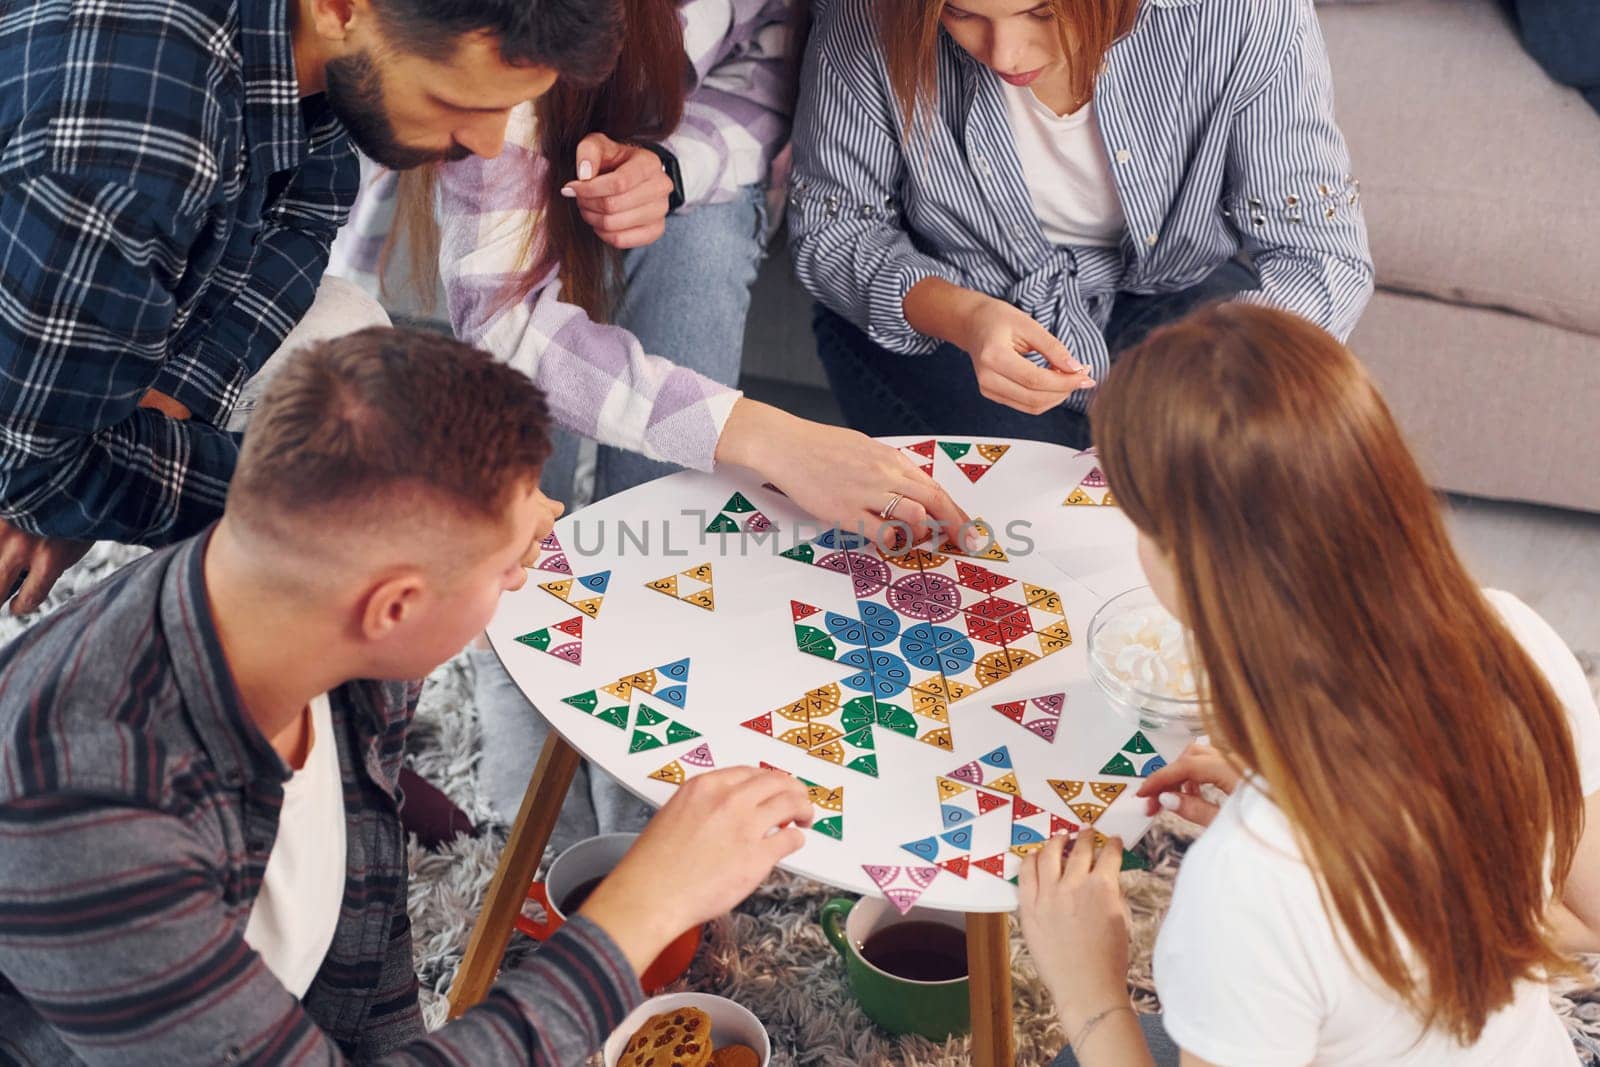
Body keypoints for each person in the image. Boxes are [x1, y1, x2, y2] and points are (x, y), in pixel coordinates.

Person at [0, 327, 814, 1065]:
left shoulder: (305, 598)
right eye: (507, 569)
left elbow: (368, 913)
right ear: (394, 607)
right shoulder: (88, 816)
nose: (542, 549)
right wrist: (641, 907)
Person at [363, 0, 977, 831]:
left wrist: (671, 165)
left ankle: (650, 630)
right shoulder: (496, 62)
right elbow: (507, 321)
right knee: (509, 411)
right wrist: (767, 437)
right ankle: (513, 631)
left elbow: (769, 64)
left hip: (681, 149)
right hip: (515, 130)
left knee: (703, 244)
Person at [1017, 304, 1600, 1066]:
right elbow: (1582, 914)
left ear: (1191, 567)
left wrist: (1088, 989)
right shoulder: (1514, 639)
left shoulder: (1249, 881)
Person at [0, 0, 621, 615]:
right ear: (340, 9)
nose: (487, 146)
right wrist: (392, 501)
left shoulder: (299, 40)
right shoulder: (135, 149)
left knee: (350, 349)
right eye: (455, 103)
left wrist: (165, 406)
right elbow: (32, 469)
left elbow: (307, 208)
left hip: (59, 299)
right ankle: (168, 671)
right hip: (24, 341)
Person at [787, 0, 1375, 449]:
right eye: (960, 13)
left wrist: (1209, 378)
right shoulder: (870, 13)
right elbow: (835, 230)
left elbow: (1318, 251)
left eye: (1040, 10)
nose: (1005, 55)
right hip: (949, 303)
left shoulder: (1237, 16)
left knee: (1224, 485)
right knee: (1020, 534)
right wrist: (965, 318)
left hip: (1169, 289)